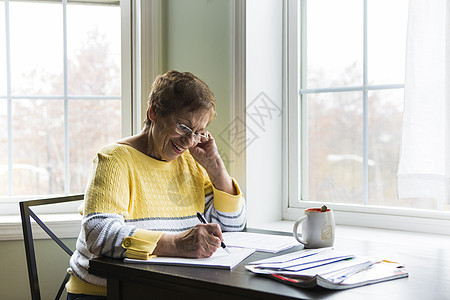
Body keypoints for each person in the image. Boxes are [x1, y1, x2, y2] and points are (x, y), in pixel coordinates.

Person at [66, 70, 246, 299]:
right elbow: (98, 235)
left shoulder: (192, 160)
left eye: (199, 132)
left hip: (165, 288)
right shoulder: (114, 159)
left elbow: (232, 227)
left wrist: (215, 166)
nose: (189, 141)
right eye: (183, 127)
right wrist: (176, 244)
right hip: (107, 292)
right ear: (153, 111)